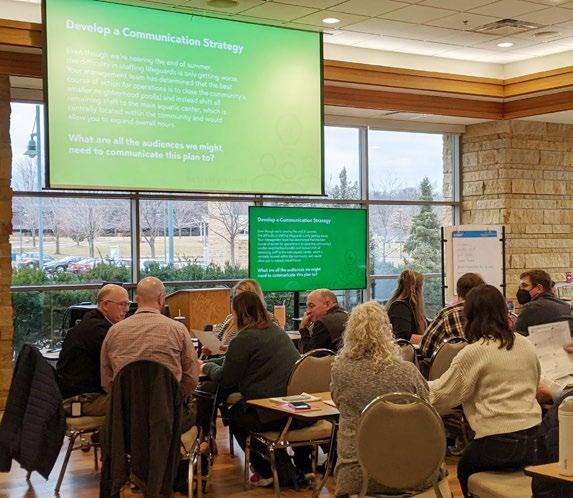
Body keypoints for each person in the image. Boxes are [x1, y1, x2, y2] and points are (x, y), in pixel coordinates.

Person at [430, 284, 542, 498]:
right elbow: (535, 383)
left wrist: (418, 387)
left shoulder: (474, 353)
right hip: (534, 438)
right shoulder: (526, 345)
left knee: (464, 468)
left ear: (470, 316)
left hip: (497, 443)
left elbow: (442, 396)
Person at [331, 300, 440, 497]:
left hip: (358, 474)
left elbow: (338, 402)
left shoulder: (340, 370)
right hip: (415, 471)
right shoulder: (408, 371)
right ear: (387, 331)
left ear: (350, 332)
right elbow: (427, 410)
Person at [201, 291, 308, 487]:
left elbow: (226, 378)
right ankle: (285, 471)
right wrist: (214, 363)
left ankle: (267, 471)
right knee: (241, 412)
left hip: (269, 412)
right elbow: (234, 360)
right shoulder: (275, 331)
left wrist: (205, 366)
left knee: (236, 417)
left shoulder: (244, 338)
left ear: (239, 314)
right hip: (296, 409)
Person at [100, 277, 199, 430]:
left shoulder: (114, 331)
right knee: (201, 406)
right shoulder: (177, 329)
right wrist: (171, 398)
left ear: (137, 300)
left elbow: (107, 381)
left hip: (127, 422)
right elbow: (191, 379)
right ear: (161, 298)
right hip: (168, 420)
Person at [56, 283, 129, 416]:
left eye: (127, 304)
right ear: (105, 305)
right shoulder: (97, 331)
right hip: (82, 400)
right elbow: (119, 365)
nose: (127, 310)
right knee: (139, 402)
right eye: (122, 304)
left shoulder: (93, 323)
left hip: (79, 394)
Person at [419, 273, 484, 360]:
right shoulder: (491, 313)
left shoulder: (447, 314)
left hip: (454, 365)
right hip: (485, 364)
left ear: (458, 292)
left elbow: (425, 348)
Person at [202, 278, 273, 356]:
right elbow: (218, 340)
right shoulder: (230, 318)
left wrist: (231, 350)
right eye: (235, 297)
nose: (236, 302)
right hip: (224, 359)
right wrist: (211, 348)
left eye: (241, 298)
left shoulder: (267, 320)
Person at [513, 269, 573, 335]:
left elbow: (516, 337)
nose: (521, 289)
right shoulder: (565, 306)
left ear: (539, 288)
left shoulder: (531, 307)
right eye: (520, 286)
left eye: (524, 286)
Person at [299, 289, 348, 353]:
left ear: (327, 304)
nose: (308, 311)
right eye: (307, 307)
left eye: (311, 306)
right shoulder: (347, 316)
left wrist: (303, 329)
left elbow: (308, 355)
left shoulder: (322, 323)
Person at [386, 269, 427, 343]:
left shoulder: (411, 307)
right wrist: (430, 339)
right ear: (415, 289)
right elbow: (404, 337)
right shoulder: (400, 307)